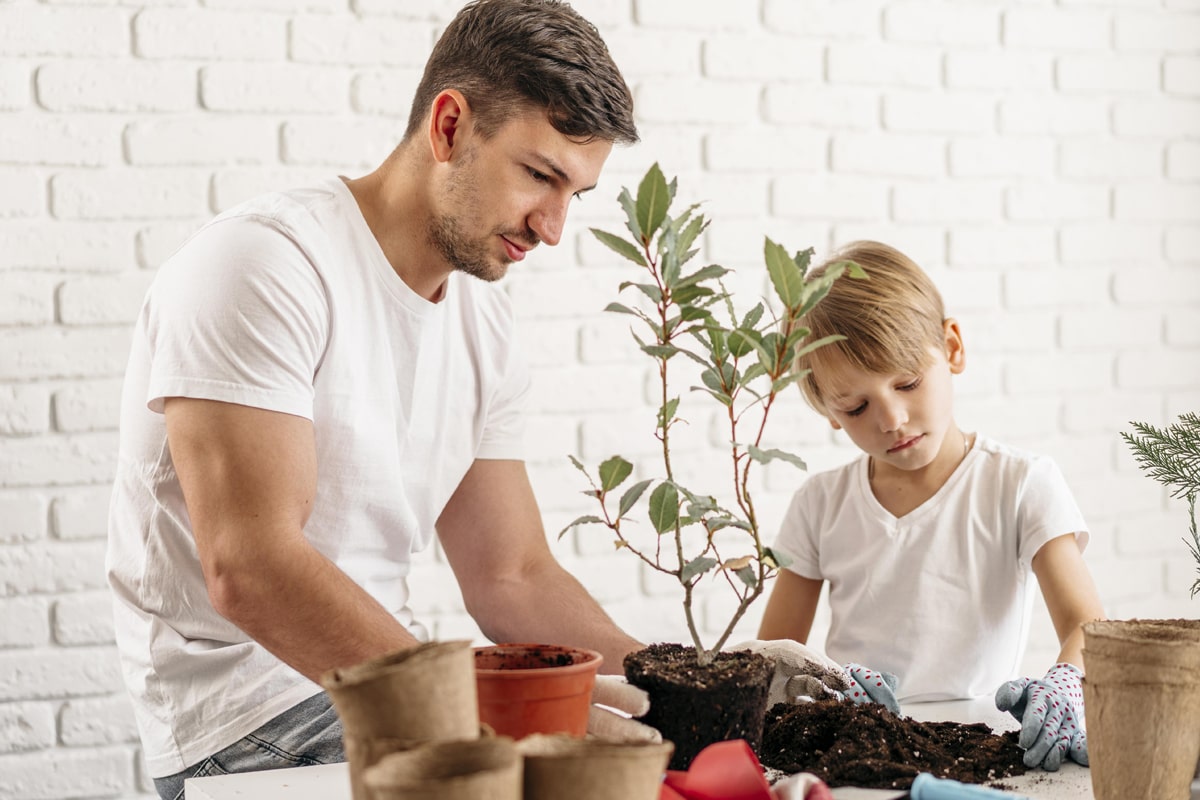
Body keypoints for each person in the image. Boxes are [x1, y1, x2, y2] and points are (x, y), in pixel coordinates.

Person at [105, 2, 655, 797]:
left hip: (386, 690)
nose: (554, 226)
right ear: (449, 126)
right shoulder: (263, 266)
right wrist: (474, 711)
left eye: (576, 192)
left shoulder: (484, 319)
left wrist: (670, 684)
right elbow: (252, 566)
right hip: (246, 718)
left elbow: (513, 575)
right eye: (539, 176)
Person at [754, 240, 1107, 772]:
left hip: (983, 751)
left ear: (953, 347)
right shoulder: (819, 504)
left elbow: (1087, 627)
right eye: (856, 406)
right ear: (828, 409)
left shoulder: (1020, 483)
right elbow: (776, 654)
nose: (891, 418)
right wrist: (810, 691)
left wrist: (1065, 684)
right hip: (857, 752)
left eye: (908, 382)